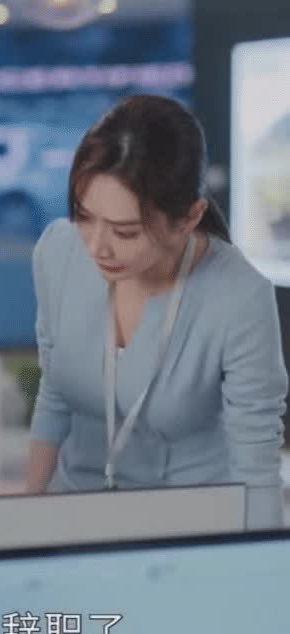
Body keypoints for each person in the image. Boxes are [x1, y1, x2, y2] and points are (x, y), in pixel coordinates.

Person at [26, 94, 288, 529]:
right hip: (74, 519)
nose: (96, 247)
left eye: (125, 232)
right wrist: (23, 523)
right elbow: (53, 396)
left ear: (189, 218)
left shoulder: (239, 297)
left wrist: (261, 562)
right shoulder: (58, 252)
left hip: (186, 533)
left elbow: (256, 468)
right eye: (84, 216)